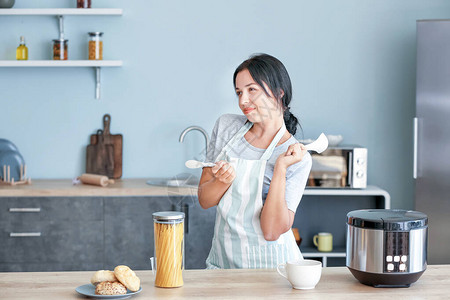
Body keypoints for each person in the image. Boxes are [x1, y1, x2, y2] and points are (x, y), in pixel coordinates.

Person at [198, 53, 312, 269]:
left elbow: (271, 231)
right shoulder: (226, 127)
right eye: (239, 92)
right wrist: (222, 181)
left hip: (273, 270)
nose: (243, 101)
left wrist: (280, 168)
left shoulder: (296, 157)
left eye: (252, 90)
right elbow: (205, 200)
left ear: (279, 92)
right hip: (223, 263)